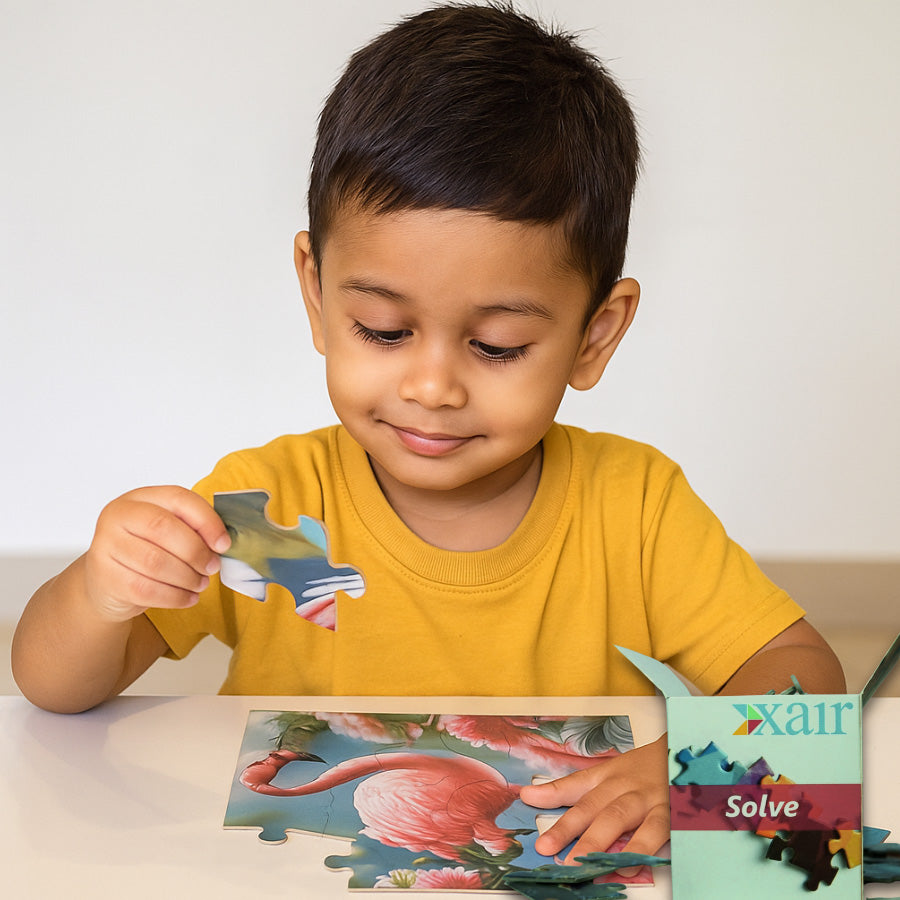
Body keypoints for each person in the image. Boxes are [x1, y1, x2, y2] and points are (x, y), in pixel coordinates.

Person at [12, 1, 844, 869]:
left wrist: (688, 770)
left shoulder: (634, 508)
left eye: (497, 346)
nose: (432, 387)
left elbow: (798, 670)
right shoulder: (271, 514)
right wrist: (101, 592)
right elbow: (52, 687)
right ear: (317, 292)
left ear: (595, 334)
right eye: (382, 328)